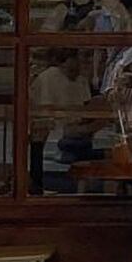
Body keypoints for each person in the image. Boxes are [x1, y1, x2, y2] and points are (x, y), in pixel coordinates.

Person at [29, 49, 95, 193]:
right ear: (66, 62)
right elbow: (46, 110)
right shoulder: (48, 78)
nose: (82, 64)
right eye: (78, 59)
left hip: (74, 131)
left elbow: (86, 106)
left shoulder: (81, 80)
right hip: (52, 130)